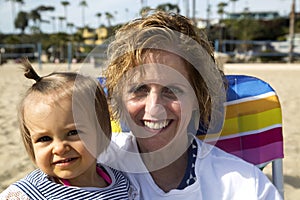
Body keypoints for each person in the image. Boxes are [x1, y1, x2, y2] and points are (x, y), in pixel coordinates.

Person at [100, 11, 283, 199]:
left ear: (198, 96)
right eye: (140, 89)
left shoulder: (243, 187)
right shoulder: (93, 165)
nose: (154, 108)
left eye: (172, 90)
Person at [0, 59, 136, 199]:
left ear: (101, 132)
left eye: (73, 133)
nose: (59, 148)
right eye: (44, 139)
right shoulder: (30, 193)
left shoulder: (122, 184)